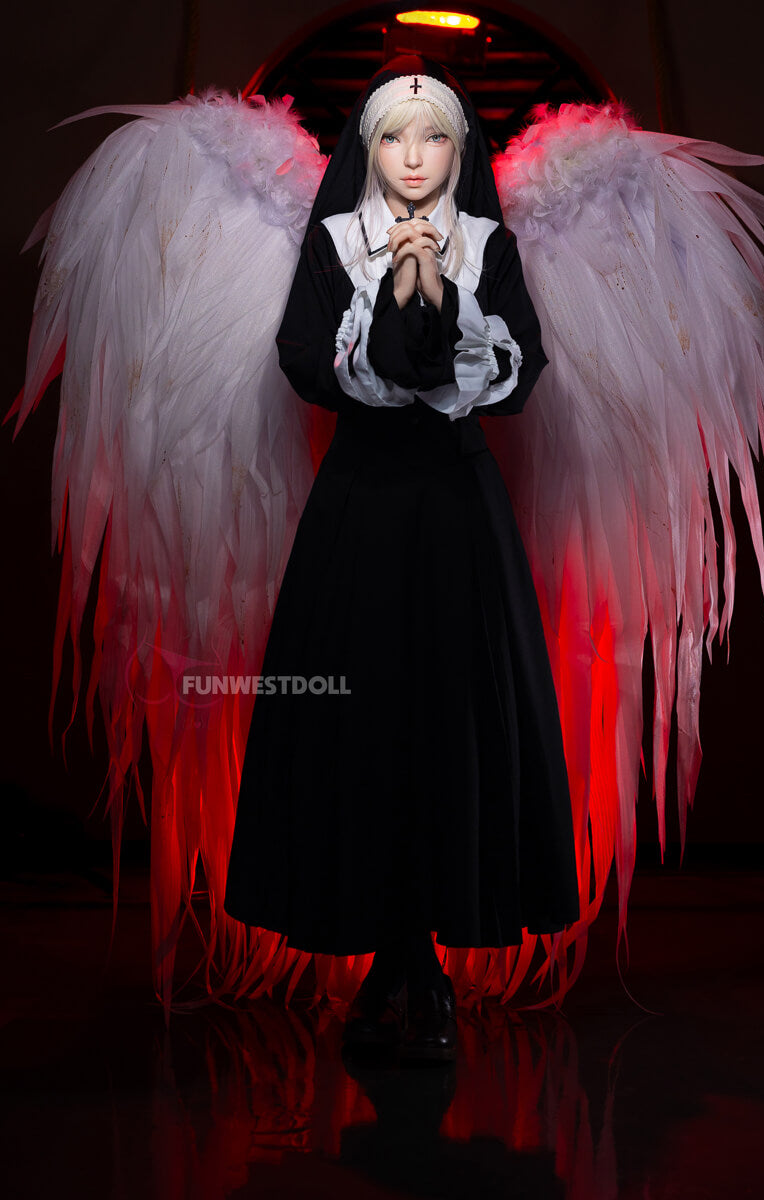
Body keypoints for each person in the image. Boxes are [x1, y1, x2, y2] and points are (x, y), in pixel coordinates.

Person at [223, 54, 581, 1063]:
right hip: (363, 509)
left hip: (458, 513)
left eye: (433, 138)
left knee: (450, 723)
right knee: (363, 720)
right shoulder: (335, 242)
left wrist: (439, 293)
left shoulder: (489, 246)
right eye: (392, 137)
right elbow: (307, 361)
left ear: (460, 152)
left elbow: (516, 372)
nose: (413, 156)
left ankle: (423, 965)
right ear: (366, 148)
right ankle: (388, 959)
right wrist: (392, 295)